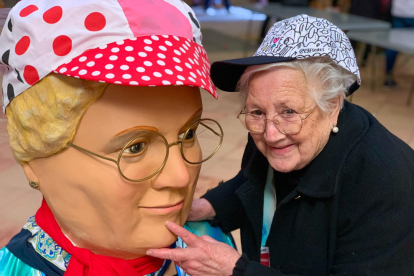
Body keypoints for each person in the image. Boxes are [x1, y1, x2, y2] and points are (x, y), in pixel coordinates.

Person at [147, 14, 414, 275]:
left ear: (332, 106)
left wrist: (235, 270)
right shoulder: (273, 131)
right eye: (256, 112)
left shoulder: (386, 182)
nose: (270, 134)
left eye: (289, 112)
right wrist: (209, 206)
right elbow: (253, 182)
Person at [0, 0, 234, 275]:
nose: (180, 177)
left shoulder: (212, 248)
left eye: (189, 133)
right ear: (34, 156)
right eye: (135, 147)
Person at [385, 0, 414, 87]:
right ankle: (388, 76)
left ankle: (388, 76)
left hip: (398, 12)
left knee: (393, 45)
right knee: (393, 45)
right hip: (409, 13)